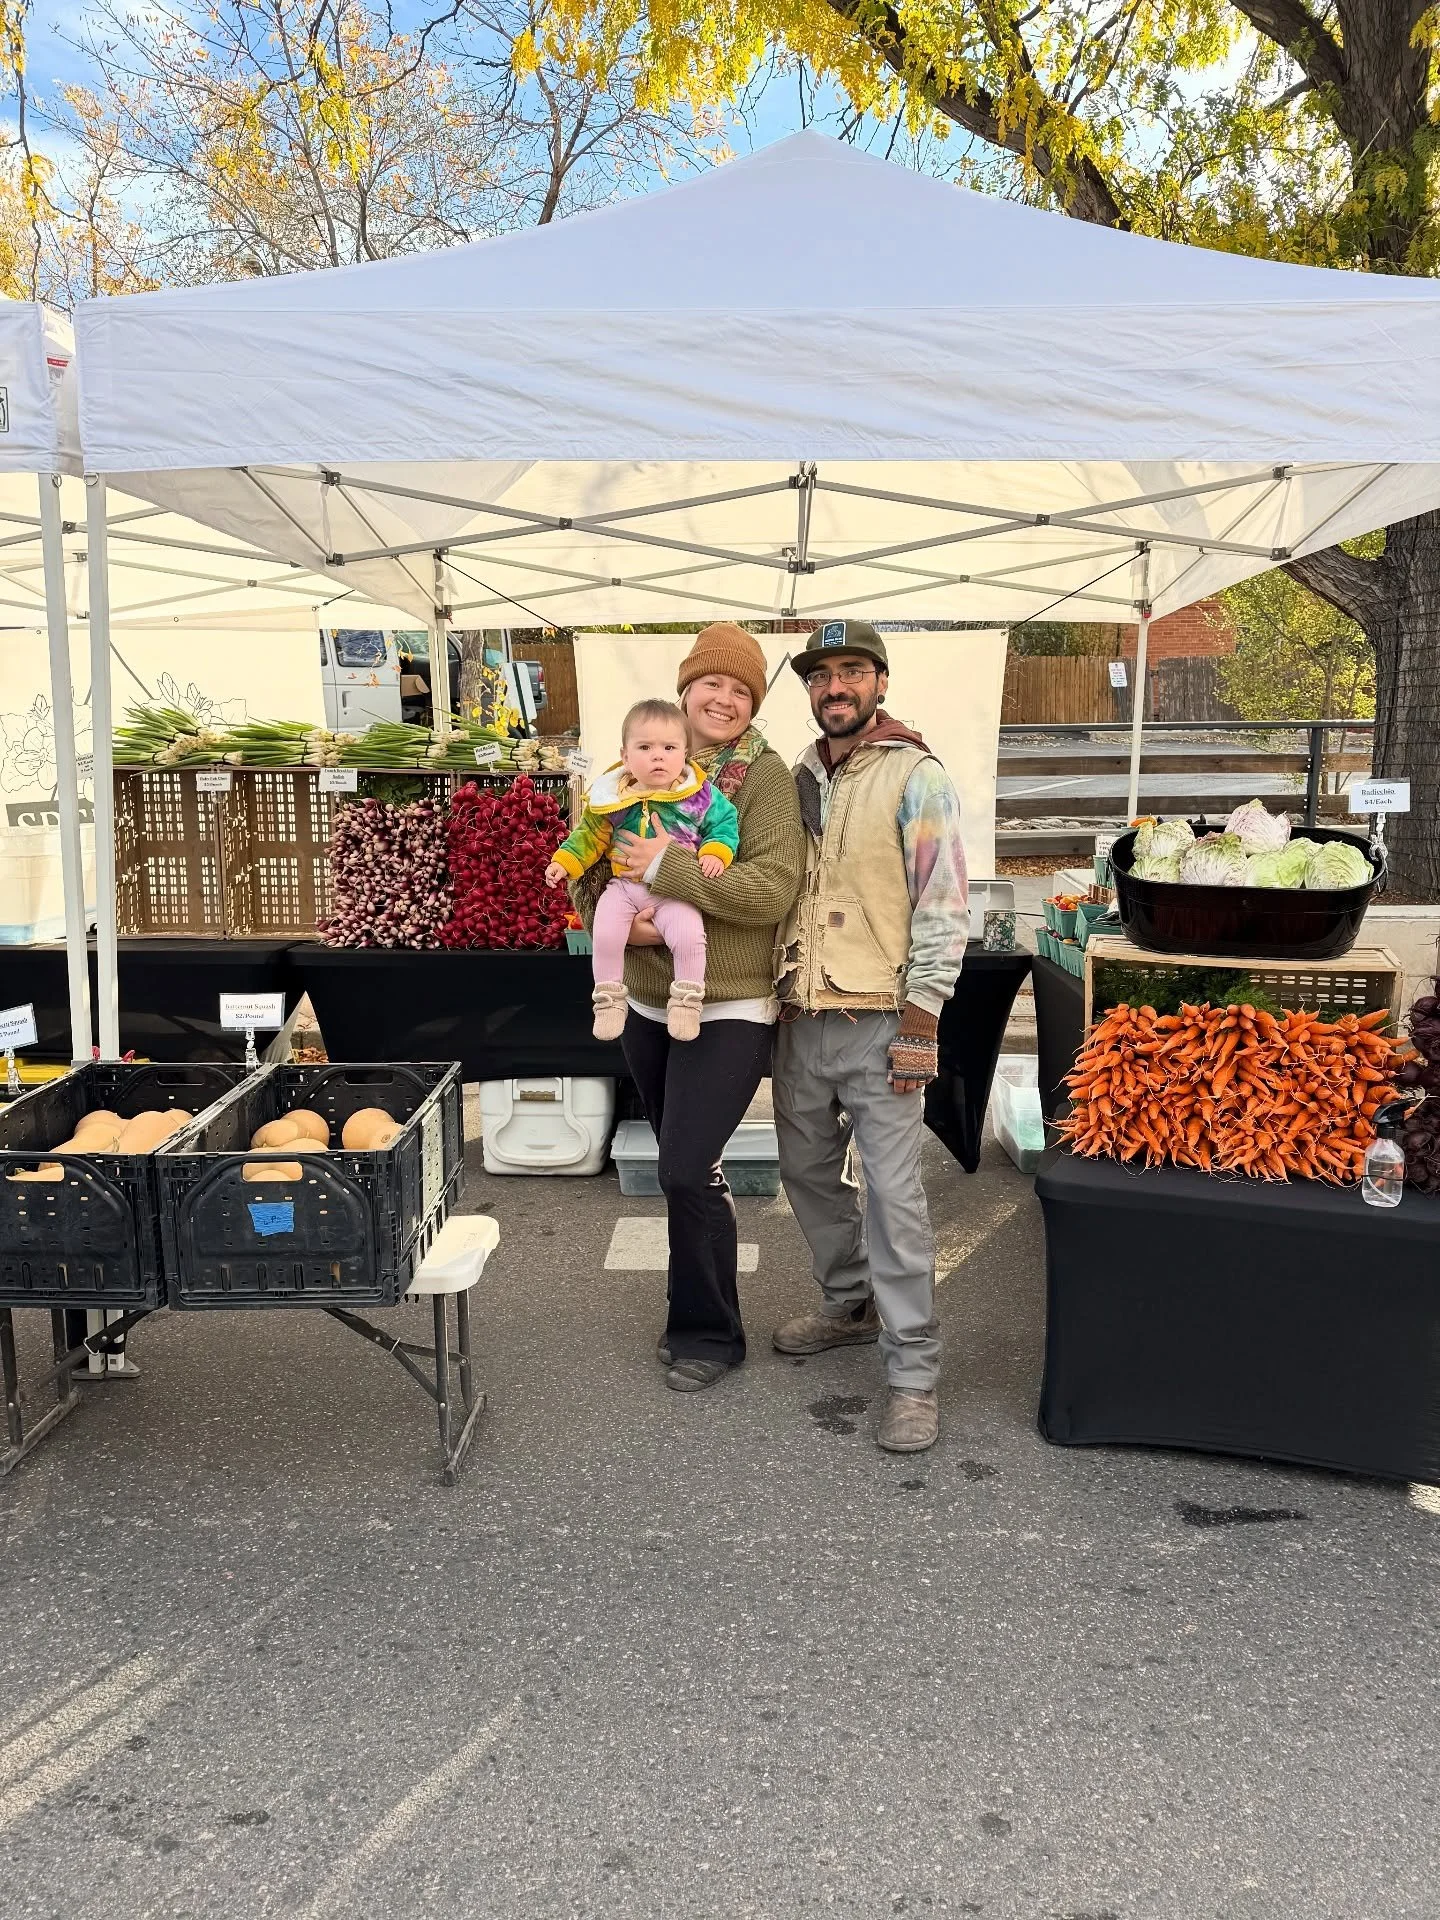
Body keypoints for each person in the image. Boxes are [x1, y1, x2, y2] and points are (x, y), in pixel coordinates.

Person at [588, 623, 805, 1394]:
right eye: (711, 684)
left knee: (681, 1165)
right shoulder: (637, 764)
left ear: (753, 706)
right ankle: (694, 1310)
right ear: (685, 691)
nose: (723, 699)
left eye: (741, 690)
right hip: (649, 1002)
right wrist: (620, 907)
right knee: (694, 1167)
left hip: (731, 1005)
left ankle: (711, 1334)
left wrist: (671, 874)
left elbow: (772, 891)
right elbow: (594, 852)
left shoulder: (765, 779)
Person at [771, 619, 969, 1455]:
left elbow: (945, 900)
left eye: (853, 671)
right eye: (822, 676)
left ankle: (913, 1374)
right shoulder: (792, 776)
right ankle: (849, 1302)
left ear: (880, 682)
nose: (836, 687)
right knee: (806, 1174)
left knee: (896, 1199)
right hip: (800, 1018)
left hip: (882, 1016)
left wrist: (922, 1023)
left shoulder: (917, 775)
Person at [546, 699, 740, 1042]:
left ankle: (687, 1000)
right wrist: (564, 861)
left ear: (685, 754)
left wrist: (716, 851)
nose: (658, 756)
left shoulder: (697, 795)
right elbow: (589, 836)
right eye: (645, 747)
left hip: (674, 890)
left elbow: (723, 823)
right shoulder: (612, 797)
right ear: (625, 756)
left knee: (690, 937)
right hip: (623, 887)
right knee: (605, 934)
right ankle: (608, 999)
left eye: (669, 748)